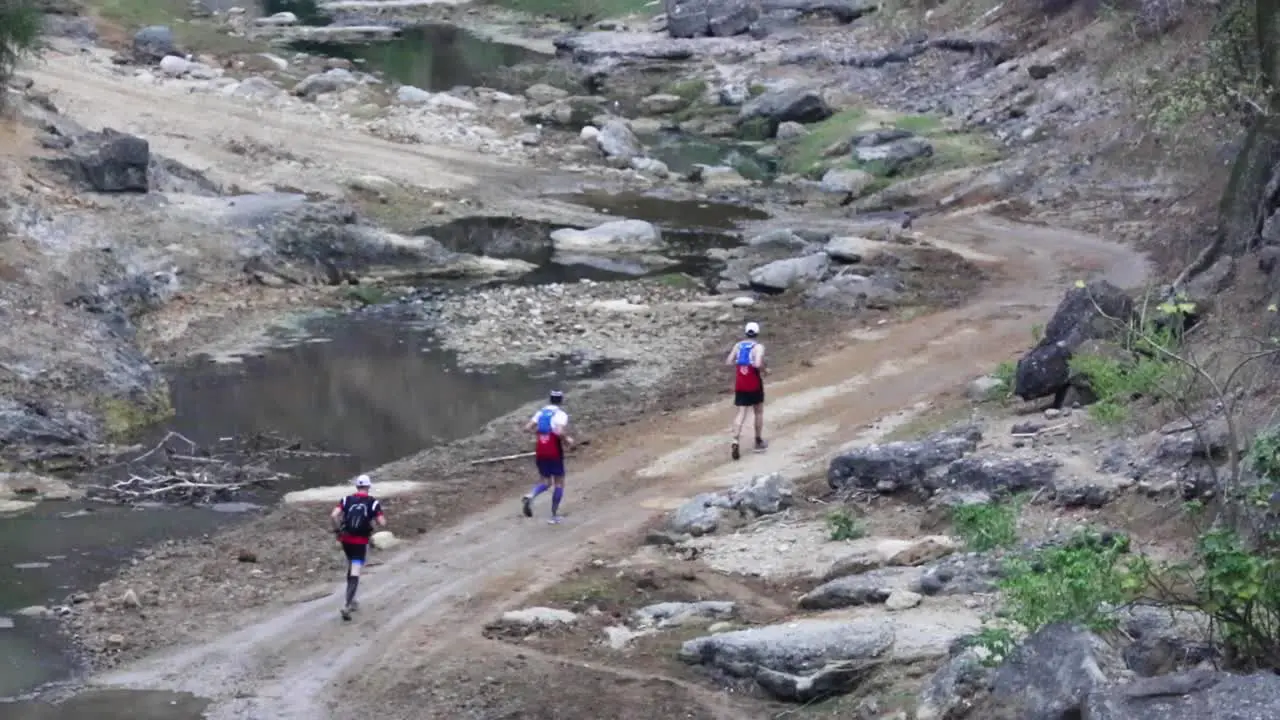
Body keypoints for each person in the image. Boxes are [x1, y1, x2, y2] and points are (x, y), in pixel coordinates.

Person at [330, 473, 386, 621]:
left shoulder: (346, 499)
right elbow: (382, 522)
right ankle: (347, 605)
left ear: (357, 486)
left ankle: (352, 599)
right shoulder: (372, 502)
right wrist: (374, 522)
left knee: (351, 566)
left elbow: (334, 515)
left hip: (345, 539)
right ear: (368, 487)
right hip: (360, 541)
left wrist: (337, 531)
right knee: (355, 569)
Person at [521, 390, 575, 524]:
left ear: (549, 399)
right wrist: (566, 440)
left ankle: (531, 495)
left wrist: (539, 433)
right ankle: (554, 515)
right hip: (554, 452)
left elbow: (526, 428)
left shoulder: (541, 412)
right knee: (559, 482)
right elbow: (559, 431)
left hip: (541, 450)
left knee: (545, 481)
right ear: (561, 400)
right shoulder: (560, 415)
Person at [726, 321, 768, 460]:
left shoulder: (738, 345)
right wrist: (764, 369)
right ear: (757, 333)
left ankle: (735, 440)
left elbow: (728, 361)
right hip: (754, 383)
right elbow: (757, 364)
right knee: (758, 411)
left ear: (745, 332)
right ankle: (758, 441)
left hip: (741, 382)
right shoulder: (758, 347)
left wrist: (740, 364)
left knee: (741, 412)